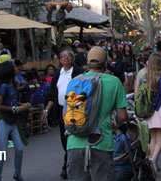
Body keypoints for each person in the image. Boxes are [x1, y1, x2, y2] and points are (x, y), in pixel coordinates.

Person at [66, 46, 128, 181]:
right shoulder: (114, 82)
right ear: (106, 63)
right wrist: (116, 124)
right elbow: (122, 116)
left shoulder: (75, 81)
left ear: (87, 63)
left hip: (74, 142)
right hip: (101, 142)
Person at [42, 47, 83, 179]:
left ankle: (68, 165)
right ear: (60, 60)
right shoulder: (58, 73)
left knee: (73, 137)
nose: (66, 58)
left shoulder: (78, 72)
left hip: (74, 110)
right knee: (64, 138)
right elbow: (52, 94)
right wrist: (46, 110)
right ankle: (69, 162)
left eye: (69, 56)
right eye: (64, 56)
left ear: (72, 58)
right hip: (60, 110)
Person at [0, 60, 30, 181]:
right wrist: (16, 108)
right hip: (4, 121)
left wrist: (21, 105)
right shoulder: (4, 86)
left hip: (13, 121)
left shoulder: (12, 85)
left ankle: (17, 173)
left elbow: (12, 101)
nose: (16, 68)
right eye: (14, 67)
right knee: (2, 151)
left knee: (19, 148)